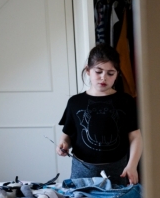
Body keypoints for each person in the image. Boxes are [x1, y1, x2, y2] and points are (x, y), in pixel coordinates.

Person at [57, 44, 142, 185]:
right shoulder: (75, 102)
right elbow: (67, 134)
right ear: (88, 71)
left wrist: (132, 165)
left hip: (117, 170)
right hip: (82, 171)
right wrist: (63, 144)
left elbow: (136, 137)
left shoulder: (125, 101)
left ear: (117, 75)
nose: (103, 78)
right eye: (98, 71)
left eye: (110, 73)